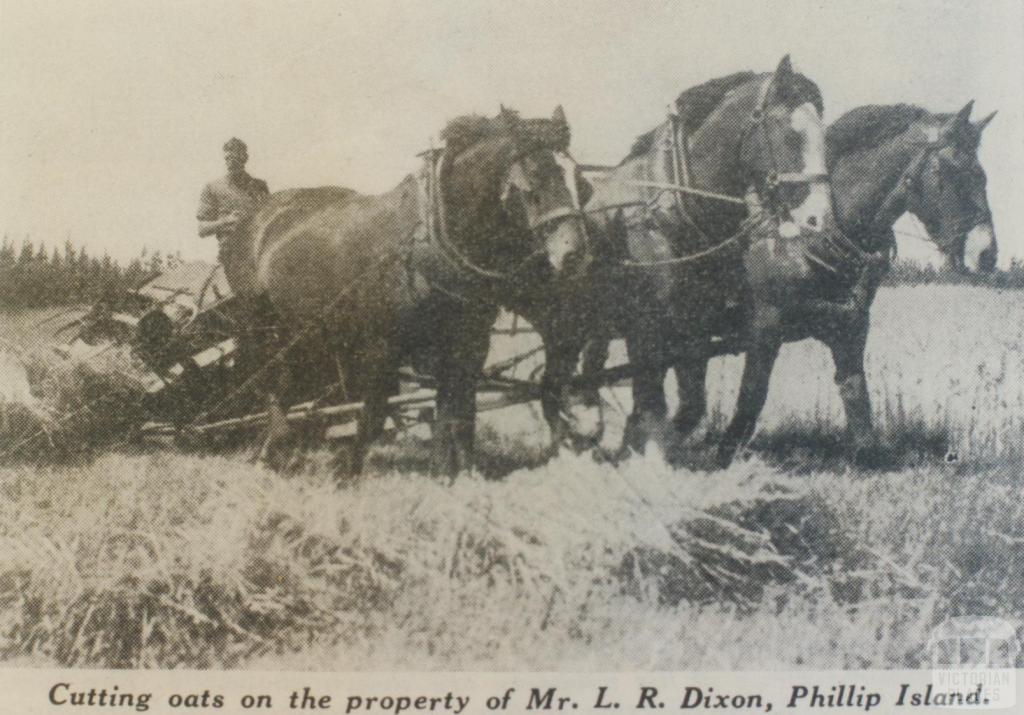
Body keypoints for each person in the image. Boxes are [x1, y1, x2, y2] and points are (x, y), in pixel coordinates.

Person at [196, 137, 270, 264]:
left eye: (235, 158)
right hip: (232, 254)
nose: (230, 163)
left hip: (261, 251)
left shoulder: (259, 186)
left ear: (244, 158)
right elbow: (202, 229)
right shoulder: (213, 188)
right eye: (227, 159)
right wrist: (226, 222)